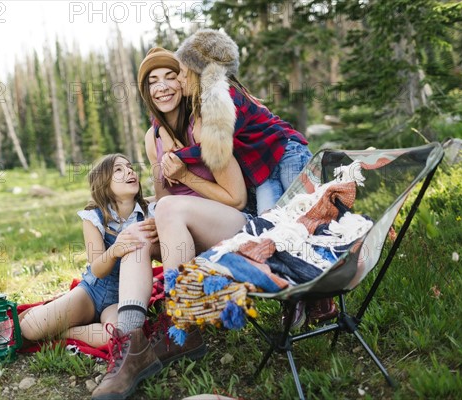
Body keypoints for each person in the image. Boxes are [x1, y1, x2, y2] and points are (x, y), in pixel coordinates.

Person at [92, 48, 250, 400]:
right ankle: (131, 344)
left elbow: (237, 197)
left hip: (234, 228)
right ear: (146, 92)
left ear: (182, 81)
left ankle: (182, 319)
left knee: (168, 210)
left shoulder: (206, 123)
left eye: (169, 76)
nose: (162, 86)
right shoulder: (154, 137)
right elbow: (165, 199)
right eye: (152, 81)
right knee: (136, 237)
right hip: (187, 234)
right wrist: (154, 216)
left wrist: (185, 180)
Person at [169, 28, 335, 331]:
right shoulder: (217, 95)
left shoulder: (218, 95)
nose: (178, 80)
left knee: (301, 222)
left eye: (181, 73)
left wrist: (180, 158)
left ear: (199, 70)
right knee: (270, 232)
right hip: (264, 170)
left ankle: (321, 296)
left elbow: (215, 147)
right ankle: (298, 292)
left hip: (286, 154)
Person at [20, 154, 161, 360]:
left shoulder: (150, 213)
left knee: (118, 335)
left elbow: (165, 199)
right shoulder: (94, 217)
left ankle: (64, 333)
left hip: (123, 298)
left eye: (130, 167)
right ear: (104, 184)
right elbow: (97, 269)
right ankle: (50, 316)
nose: (130, 171)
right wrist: (115, 250)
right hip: (92, 292)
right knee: (30, 329)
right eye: (118, 170)